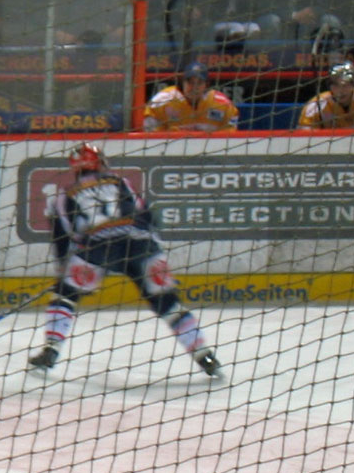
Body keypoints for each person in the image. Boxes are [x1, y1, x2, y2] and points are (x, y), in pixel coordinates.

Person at [29, 143, 221, 380]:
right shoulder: (120, 182)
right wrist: (156, 251)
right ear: (100, 162)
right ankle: (204, 355)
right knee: (166, 302)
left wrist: (64, 268)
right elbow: (146, 214)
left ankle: (51, 349)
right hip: (141, 244)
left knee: (65, 296)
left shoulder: (65, 195)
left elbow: (64, 234)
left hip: (98, 248)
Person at [143, 61, 237, 132]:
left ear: (207, 85)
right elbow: (150, 136)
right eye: (190, 82)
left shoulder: (223, 105)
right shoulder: (161, 102)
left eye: (199, 83)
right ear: (182, 82)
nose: (194, 87)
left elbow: (230, 136)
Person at [297, 60, 354, 129]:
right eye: (336, 85)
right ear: (329, 86)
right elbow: (303, 138)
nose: (341, 90)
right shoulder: (315, 106)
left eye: (346, 85)